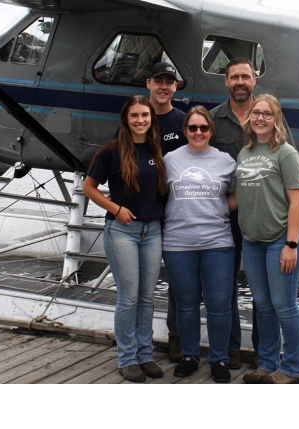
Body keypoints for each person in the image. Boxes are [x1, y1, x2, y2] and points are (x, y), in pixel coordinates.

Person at [210, 57, 295, 369]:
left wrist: (291, 236)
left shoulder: (269, 118)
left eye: (245, 76)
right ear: (226, 81)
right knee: (225, 283)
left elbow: (290, 170)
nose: (240, 82)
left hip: (265, 218)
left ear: (254, 80)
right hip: (226, 216)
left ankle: (264, 353)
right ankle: (231, 347)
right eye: (234, 77)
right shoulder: (213, 119)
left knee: (266, 292)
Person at [84, 95, 167, 383]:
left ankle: (145, 355)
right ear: (126, 119)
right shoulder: (111, 151)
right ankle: (127, 358)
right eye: (134, 115)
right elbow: (89, 187)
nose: (140, 120)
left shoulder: (156, 149)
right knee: (129, 297)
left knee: (147, 297)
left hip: (152, 230)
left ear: (151, 119)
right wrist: (115, 208)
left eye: (145, 115)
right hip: (123, 231)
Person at [162, 105, 237, 383]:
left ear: (210, 131)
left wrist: (216, 209)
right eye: (192, 127)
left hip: (217, 242)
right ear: (185, 131)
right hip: (178, 244)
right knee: (186, 304)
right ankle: (190, 356)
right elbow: (159, 193)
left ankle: (219, 359)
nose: (198, 132)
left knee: (219, 304)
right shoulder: (170, 159)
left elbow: (237, 194)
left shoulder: (225, 161)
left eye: (203, 128)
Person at [237, 94, 299, 384]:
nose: (260, 118)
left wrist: (291, 244)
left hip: (281, 239)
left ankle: (293, 368)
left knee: (284, 305)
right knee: (263, 306)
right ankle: (267, 363)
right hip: (252, 241)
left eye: (267, 114)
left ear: (276, 119)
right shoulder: (245, 152)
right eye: (256, 113)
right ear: (249, 117)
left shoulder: (286, 154)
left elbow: (297, 202)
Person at [146, 61, 188, 362]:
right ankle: (139, 342)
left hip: (175, 213)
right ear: (148, 83)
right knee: (142, 281)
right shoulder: (136, 117)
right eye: (158, 81)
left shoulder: (183, 122)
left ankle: (177, 339)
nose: (164, 87)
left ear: (176, 86)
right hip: (143, 212)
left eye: (169, 82)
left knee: (179, 281)